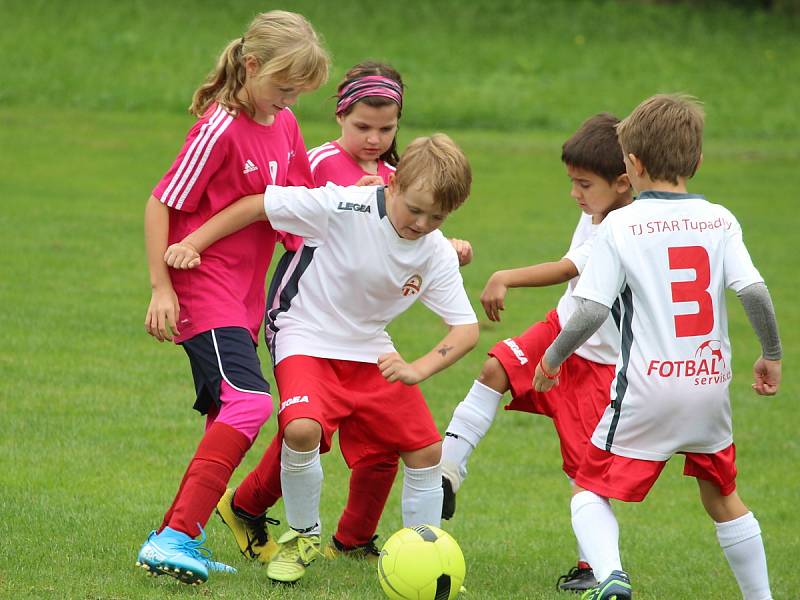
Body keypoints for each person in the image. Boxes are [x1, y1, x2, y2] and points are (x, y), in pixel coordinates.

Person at [164, 133, 479, 584]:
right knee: (302, 429)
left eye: (437, 217)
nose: (422, 223)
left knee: (428, 451)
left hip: (369, 346)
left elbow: (465, 328)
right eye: (415, 209)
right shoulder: (343, 206)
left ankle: (426, 555)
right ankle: (303, 538)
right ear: (393, 186)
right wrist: (194, 242)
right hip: (303, 333)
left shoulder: (434, 250)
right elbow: (258, 204)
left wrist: (417, 369)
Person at [534, 94, 782, 600]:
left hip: (648, 390)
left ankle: (611, 579)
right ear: (697, 161)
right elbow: (754, 291)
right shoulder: (720, 218)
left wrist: (553, 358)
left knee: (589, 488)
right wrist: (771, 354)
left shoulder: (618, 226)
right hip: (709, 388)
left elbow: (590, 311)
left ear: (634, 164)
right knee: (723, 497)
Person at [135, 11, 329, 586]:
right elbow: (160, 203)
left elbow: (299, 199)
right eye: (282, 87)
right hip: (201, 286)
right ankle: (173, 536)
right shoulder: (219, 126)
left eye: (296, 93)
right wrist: (161, 287)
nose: (286, 101)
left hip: (244, 297)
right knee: (250, 404)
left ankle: (180, 536)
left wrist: (358, 196)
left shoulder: (285, 122)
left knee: (227, 412)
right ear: (250, 66)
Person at [439, 113, 632, 592]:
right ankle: (446, 471)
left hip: (600, 362)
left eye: (583, 183)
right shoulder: (597, 208)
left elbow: (570, 268)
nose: (575, 194)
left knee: (585, 474)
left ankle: (595, 567)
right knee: (492, 370)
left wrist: (504, 275)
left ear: (624, 182)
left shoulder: (626, 225)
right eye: (572, 182)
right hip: (561, 327)